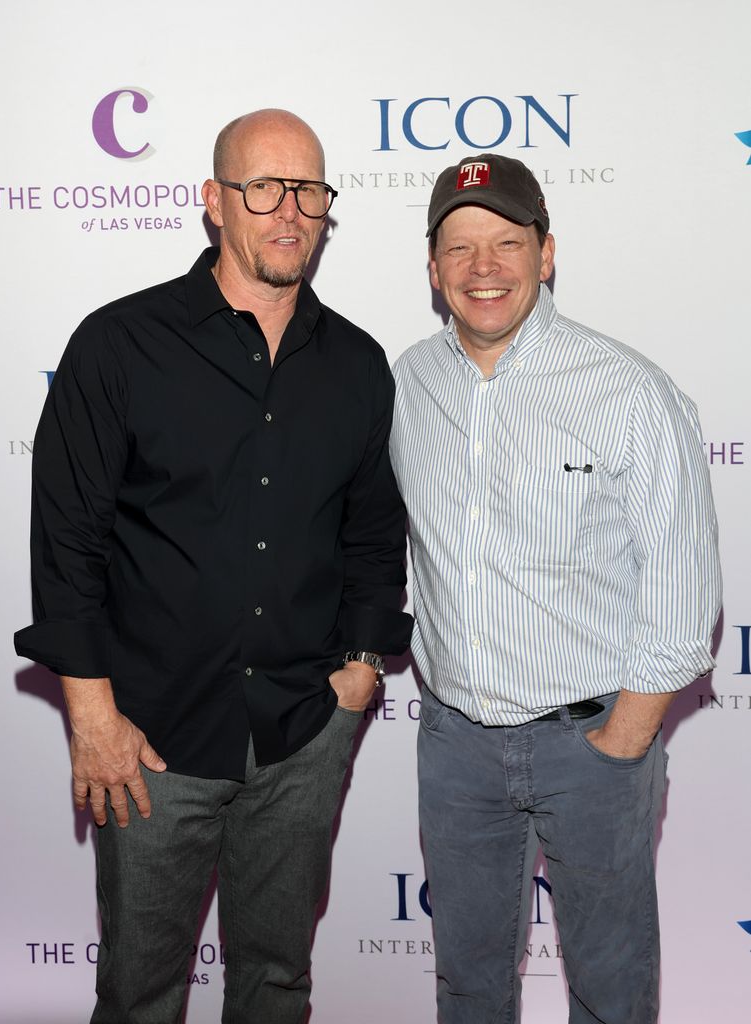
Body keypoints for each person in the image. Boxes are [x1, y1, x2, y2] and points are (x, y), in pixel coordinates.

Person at [14, 108, 412, 1024]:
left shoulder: (355, 363)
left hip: (302, 735)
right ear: (213, 203)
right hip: (148, 740)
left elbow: (369, 532)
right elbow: (66, 539)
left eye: (309, 190)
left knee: (276, 984)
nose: (288, 211)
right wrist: (93, 716)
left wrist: (358, 671)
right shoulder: (119, 345)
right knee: (140, 991)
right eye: (262, 187)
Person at [389, 153, 721, 1024]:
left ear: (546, 253)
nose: (483, 267)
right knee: (467, 980)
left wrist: (623, 739)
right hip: (455, 743)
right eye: (459, 247)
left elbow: (683, 593)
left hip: (592, 745)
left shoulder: (626, 391)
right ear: (432, 268)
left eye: (506, 241)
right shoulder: (406, 384)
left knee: (609, 989)